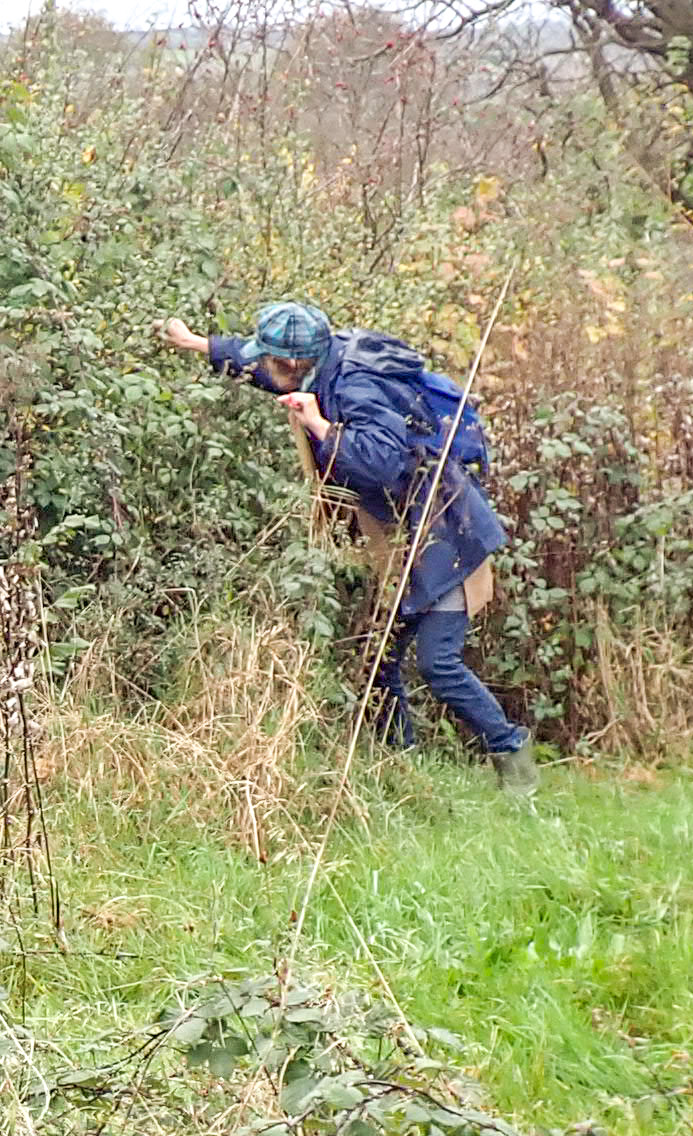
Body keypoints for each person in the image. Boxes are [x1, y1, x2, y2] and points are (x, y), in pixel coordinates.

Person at [157, 300, 534, 789]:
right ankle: (403, 769)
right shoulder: (319, 362)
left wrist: (319, 425)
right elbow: (264, 367)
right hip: (403, 537)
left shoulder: (355, 383)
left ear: (296, 363)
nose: (264, 367)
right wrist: (198, 344)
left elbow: (382, 460)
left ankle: (516, 766)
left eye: (271, 360)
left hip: (444, 534)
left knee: (438, 664)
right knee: (379, 662)